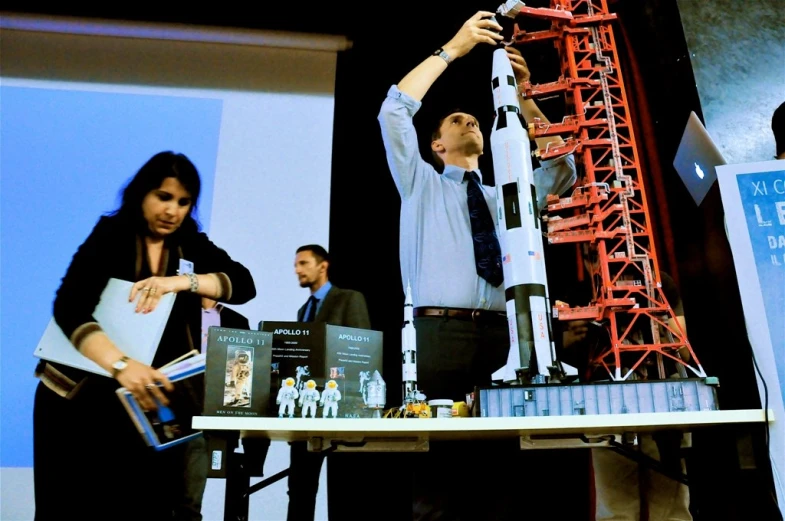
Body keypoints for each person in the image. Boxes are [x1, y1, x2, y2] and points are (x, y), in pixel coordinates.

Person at [377, 10, 578, 520]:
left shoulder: (507, 196)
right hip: (438, 337)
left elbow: (562, 168)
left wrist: (526, 95)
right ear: (436, 144)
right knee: (438, 479)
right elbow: (393, 111)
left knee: (505, 476)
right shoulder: (419, 184)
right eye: (454, 120)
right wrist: (456, 47)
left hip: (503, 336)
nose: (469, 120)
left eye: (474, 119)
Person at [33, 151, 256, 521]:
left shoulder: (189, 243)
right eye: (164, 197)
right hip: (76, 401)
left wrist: (180, 282)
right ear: (141, 194)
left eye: (184, 202)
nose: (173, 211)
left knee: (145, 505)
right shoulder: (112, 235)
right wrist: (122, 365)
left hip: (142, 405)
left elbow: (243, 284)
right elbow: (69, 308)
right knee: (71, 508)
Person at [554, 243, 692, 521]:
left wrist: (657, 314)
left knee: (670, 505)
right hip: (607, 403)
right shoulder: (580, 294)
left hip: (663, 397)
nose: (596, 265)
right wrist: (568, 338)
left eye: (598, 256)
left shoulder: (659, 282)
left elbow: (684, 349)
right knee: (616, 506)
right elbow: (564, 357)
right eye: (589, 258)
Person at [286, 244, 372, 521]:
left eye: (303, 263)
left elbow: (362, 348)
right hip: (307, 409)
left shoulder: (348, 298)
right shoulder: (304, 310)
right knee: (299, 486)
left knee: (347, 486)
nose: (297, 269)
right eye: (296, 264)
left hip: (341, 406)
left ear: (323, 266)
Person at [178, 297, 251, 521]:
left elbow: (244, 373)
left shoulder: (237, 321)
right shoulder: (177, 314)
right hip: (180, 404)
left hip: (220, 412)